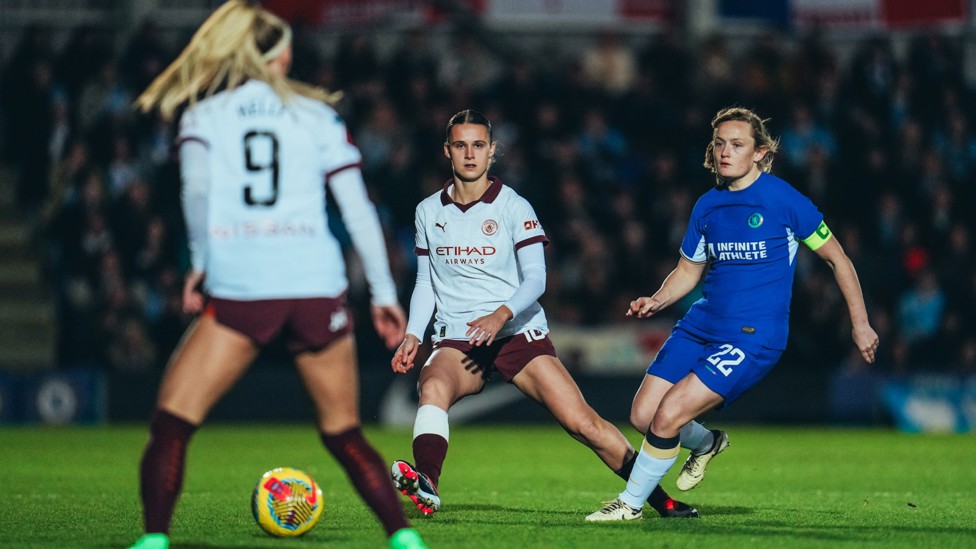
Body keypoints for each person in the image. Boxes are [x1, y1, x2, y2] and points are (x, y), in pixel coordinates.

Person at [127, 2, 426, 548]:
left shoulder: (204, 117)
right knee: (343, 432)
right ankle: (403, 540)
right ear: (282, 55)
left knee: (172, 423)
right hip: (315, 286)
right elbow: (359, 211)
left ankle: (153, 541)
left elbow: (196, 195)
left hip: (245, 286)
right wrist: (384, 293)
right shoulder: (317, 117)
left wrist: (199, 264)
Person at [389, 109, 698, 520]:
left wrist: (501, 315)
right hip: (459, 337)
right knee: (433, 387)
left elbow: (537, 278)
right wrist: (413, 333)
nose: (469, 154)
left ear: (492, 151)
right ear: (447, 151)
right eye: (460, 145)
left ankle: (663, 502)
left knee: (582, 424)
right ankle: (427, 482)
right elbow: (426, 281)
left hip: (517, 332)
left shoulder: (513, 206)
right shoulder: (429, 211)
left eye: (478, 145)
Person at [586, 106, 879, 521]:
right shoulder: (707, 206)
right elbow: (688, 270)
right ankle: (706, 443)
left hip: (753, 335)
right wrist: (657, 298)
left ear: (759, 152)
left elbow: (839, 259)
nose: (726, 152)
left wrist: (861, 323)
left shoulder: (784, 201)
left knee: (669, 414)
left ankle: (630, 505)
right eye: (720, 143)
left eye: (737, 144)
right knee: (642, 415)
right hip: (701, 324)